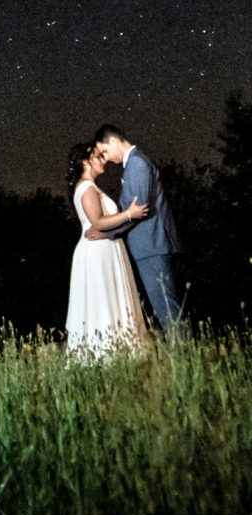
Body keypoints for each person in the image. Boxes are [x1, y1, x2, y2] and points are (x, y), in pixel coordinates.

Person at [86, 125, 183, 332]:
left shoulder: (137, 163)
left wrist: (106, 233)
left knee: (166, 308)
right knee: (164, 307)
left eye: (104, 151)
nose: (107, 158)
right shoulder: (134, 164)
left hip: (152, 244)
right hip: (150, 245)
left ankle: (184, 358)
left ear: (113, 141)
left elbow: (139, 210)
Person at [65, 143, 148, 358]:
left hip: (106, 248)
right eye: (98, 157)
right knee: (102, 300)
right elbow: (98, 222)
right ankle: (104, 354)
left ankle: (122, 350)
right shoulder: (86, 188)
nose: (103, 160)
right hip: (97, 252)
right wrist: (130, 214)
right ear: (86, 161)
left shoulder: (92, 186)